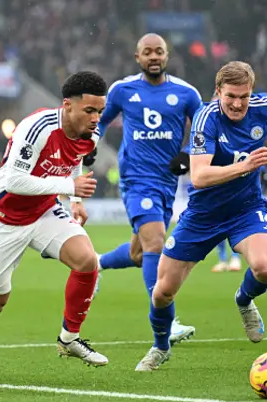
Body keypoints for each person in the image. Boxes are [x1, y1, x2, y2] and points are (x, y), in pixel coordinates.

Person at [135, 61, 267, 371]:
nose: (237, 103)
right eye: (230, 96)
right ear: (217, 92)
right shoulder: (207, 119)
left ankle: (244, 300)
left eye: (244, 96)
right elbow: (200, 176)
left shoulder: (263, 106)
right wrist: (245, 167)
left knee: (265, 269)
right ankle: (161, 346)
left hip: (246, 209)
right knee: (162, 293)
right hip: (202, 215)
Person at [0, 71, 109, 382]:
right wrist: (69, 184)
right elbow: (13, 180)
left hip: (45, 211)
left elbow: (75, 159)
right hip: (5, 218)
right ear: (67, 105)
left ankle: (68, 339)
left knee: (87, 261)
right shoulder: (35, 128)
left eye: (100, 111)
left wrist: (74, 199)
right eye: (89, 110)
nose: (96, 118)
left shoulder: (90, 133)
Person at [95, 33, 200, 345]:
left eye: (159, 52)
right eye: (147, 52)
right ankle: (167, 322)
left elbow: (204, 128)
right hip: (136, 181)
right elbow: (99, 122)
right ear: (137, 57)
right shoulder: (123, 90)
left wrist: (188, 155)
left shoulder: (186, 93)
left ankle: (95, 265)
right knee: (155, 244)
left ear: (167, 56)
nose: (154, 57)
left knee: (139, 253)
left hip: (167, 184)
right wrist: (89, 147)